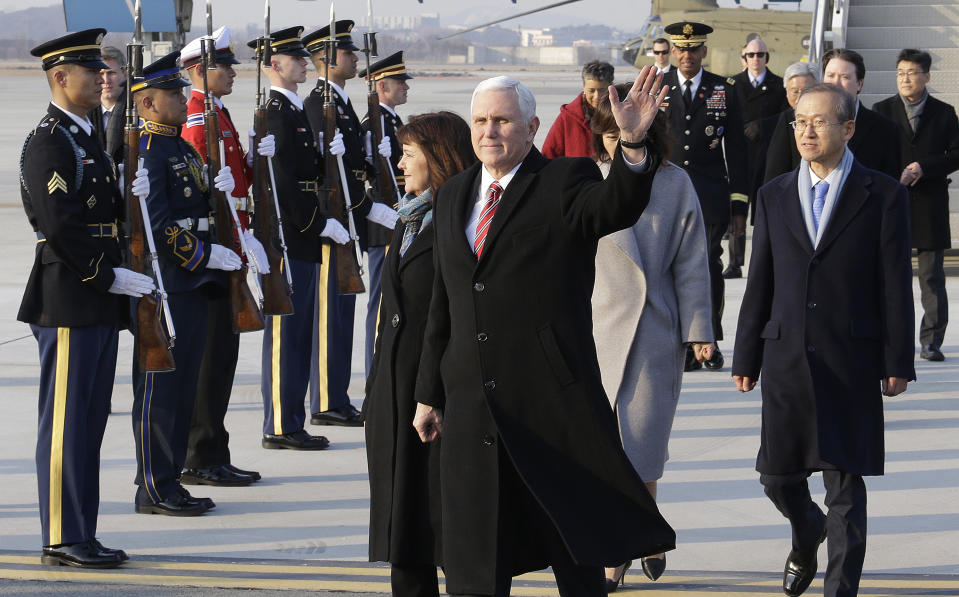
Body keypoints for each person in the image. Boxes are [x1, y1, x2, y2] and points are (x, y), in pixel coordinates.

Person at [412, 69, 676, 597]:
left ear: (532, 126)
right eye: (481, 121)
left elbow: (615, 206)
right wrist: (428, 394)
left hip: (549, 403)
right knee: (474, 550)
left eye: (503, 120)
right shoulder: (453, 195)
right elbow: (444, 302)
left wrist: (632, 144)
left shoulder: (564, 180)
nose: (490, 131)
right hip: (471, 404)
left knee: (572, 545)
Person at [732, 84, 915, 597]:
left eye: (818, 122)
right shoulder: (772, 195)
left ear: (848, 128)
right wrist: (746, 354)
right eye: (798, 123)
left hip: (849, 356)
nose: (806, 132)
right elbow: (760, 281)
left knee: (844, 485)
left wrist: (897, 359)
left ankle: (840, 589)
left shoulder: (882, 195)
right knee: (777, 477)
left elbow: (895, 283)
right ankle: (805, 528)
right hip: (785, 354)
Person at [20, 28, 153, 568]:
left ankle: (82, 531)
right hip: (71, 299)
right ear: (59, 77)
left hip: (93, 298)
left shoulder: (85, 134)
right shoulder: (52, 139)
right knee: (66, 426)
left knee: (90, 422)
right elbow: (60, 225)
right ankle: (61, 535)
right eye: (90, 70)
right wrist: (108, 276)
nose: (103, 77)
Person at [590, 84, 713, 590]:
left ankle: (645, 527)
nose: (619, 144)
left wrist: (699, 330)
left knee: (642, 447)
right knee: (602, 452)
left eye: (627, 133)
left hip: (653, 327)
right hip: (595, 329)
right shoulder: (586, 181)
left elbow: (691, 261)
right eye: (610, 135)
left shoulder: (675, 183)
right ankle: (618, 544)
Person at [364, 111, 477, 597]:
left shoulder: (460, 220)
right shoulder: (410, 216)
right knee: (403, 527)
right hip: (394, 389)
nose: (401, 164)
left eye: (409, 154)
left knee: (444, 526)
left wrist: (432, 393)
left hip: (433, 394)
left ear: (437, 158)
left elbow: (451, 315)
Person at [131, 51, 243, 515]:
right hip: (172, 284)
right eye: (171, 94)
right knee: (162, 391)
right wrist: (201, 256)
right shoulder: (149, 151)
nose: (181, 98)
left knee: (184, 390)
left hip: (195, 283)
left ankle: (171, 478)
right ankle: (153, 486)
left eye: (181, 90)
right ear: (146, 105)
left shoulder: (179, 145)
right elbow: (156, 223)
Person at [179, 26, 269, 482]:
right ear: (198, 71)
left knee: (223, 358)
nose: (233, 72)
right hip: (212, 252)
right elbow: (199, 196)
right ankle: (201, 455)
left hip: (232, 242)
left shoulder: (218, 113)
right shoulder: (196, 119)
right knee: (210, 360)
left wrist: (255, 159)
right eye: (224, 65)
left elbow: (237, 185)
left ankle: (214, 450)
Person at [302, 20, 398, 428]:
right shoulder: (317, 102)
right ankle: (325, 399)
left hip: (349, 220)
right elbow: (319, 172)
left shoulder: (340, 103)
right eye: (346, 52)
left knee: (341, 314)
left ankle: (336, 395)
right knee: (329, 316)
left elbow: (352, 169)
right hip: (331, 224)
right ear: (326, 59)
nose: (354, 57)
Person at [251, 27, 338, 450]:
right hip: (289, 236)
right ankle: (281, 425)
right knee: (287, 334)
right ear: (273, 64)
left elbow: (305, 173)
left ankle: (292, 419)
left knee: (300, 332)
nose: (305, 62)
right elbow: (282, 184)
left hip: (300, 235)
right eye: (295, 58)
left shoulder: (294, 109)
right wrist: (317, 224)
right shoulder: (274, 111)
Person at [660, 21, 749, 371]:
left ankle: (708, 342)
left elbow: (738, 150)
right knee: (671, 269)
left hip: (710, 195)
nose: (687, 55)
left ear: (704, 52)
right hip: (667, 194)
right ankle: (682, 342)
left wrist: (739, 204)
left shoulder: (723, 89)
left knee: (709, 268)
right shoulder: (659, 87)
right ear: (672, 51)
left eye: (693, 48)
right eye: (681, 49)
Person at [874, 49, 959, 362]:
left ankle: (932, 341)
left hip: (929, 205)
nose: (905, 78)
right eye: (900, 72)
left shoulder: (944, 113)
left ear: (926, 76)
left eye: (911, 72)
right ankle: (886, 337)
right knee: (886, 277)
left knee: (932, 279)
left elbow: (956, 154)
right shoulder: (881, 110)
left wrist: (925, 166)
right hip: (891, 203)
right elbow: (871, 154)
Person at [767, 49, 901, 182]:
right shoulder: (793, 120)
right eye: (830, 76)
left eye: (845, 77)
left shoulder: (884, 129)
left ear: (859, 84)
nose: (835, 83)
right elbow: (775, 178)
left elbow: (889, 187)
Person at [359, 50, 413, 379]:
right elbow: (369, 177)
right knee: (380, 300)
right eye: (399, 82)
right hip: (384, 219)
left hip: (398, 213)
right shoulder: (373, 122)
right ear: (381, 86)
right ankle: (372, 376)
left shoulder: (391, 120)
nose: (405, 87)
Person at [725, 36, 787, 279]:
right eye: (751, 55)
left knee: (764, 212)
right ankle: (734, 262)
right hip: (740, 157)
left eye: (760, 54)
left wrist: (762, 126)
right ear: (744, 58)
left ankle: (762, 262)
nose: (756, 59)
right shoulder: (732, 84)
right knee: (737, 209)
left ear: (766, 57)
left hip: (767, 156)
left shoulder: (778, 85)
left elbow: (785, 116)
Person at [541, 60, 614, 159]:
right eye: (591, 91)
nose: (597, 96)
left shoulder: (621, 115)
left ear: (611, 87)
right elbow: (549, 154)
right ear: (584, 87)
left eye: (602, 90)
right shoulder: (567, 117)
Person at [763, 62, 819, 184]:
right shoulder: (786, 119)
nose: (800, 98)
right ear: (787, 93)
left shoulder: (829, 117)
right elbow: (776, 168)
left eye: (806, 91)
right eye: (795, 91)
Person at [89, 45, 125, 163]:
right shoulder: (84, 114)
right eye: (101, 73)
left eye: (111, 73)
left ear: (125, 74)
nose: (106, 80)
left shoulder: (137, 112)